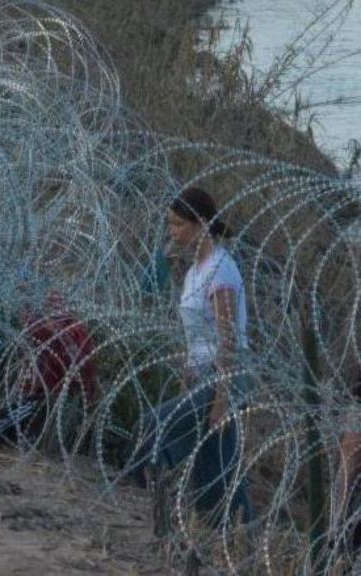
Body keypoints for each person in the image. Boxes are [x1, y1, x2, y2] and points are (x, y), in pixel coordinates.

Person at [132, 187, 253, 527]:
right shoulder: (193, 273)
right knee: (215, 465)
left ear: (200, 224)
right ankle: (235, 532)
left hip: (223, 375)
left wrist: (222, 399)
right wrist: (188, 371)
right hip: (203, 375)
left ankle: (142, 498)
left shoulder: (220, 271)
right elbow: (197, 334)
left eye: (178, 224)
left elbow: (228, 340)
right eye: (170, 225)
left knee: (156, 424)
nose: (172, 232)